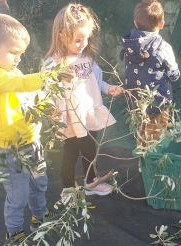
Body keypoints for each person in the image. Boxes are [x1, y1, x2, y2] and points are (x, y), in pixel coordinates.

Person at [0, 13, 71, 244]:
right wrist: (50, 75)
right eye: (13, 52)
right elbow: (19, 84)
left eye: (20, 54)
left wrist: (48, 106)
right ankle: (14, 232)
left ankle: (39, 217)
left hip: (32, 141)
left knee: (40, 183)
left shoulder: (14, 71)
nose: (18, 59)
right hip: (10, 151)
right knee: (17, 197)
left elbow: (31, 93)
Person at [44, 3, 123, 198]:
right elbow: (46, 89)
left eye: (87, 38)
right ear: (62, 36)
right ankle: (68, 188)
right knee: (71, 152)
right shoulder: (54, 64)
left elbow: (97, 81)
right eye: (78, 40)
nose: (84, 43)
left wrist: (108, 88)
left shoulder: (88, 58)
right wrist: (53, 109)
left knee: (90, 150)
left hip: (90, 111)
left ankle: (90, 183)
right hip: (72, 116)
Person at [120, 0, 180, 171]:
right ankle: (155, 165)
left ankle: (142, 161)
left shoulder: (129, 44)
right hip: (157, 100)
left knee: (142, 128)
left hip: (136, 100)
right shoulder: (163, 47)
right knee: (158, 131)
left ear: (135, 23)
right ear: (161, 23)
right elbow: (174, 74)